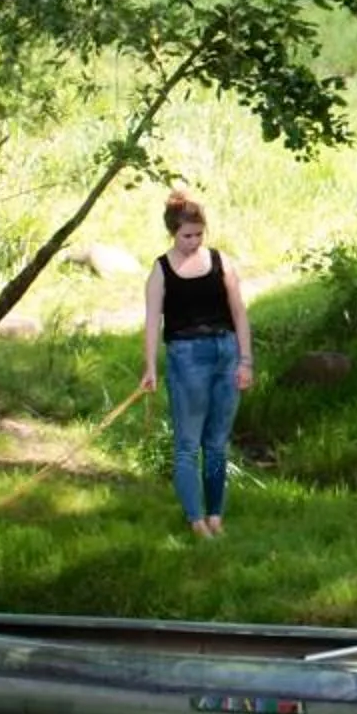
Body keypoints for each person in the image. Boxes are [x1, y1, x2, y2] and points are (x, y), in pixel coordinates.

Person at [140, 188, 253, 537]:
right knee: (188, 444)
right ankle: (196, 520)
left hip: (226, 352)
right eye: (187, 235)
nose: (194, 241)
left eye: (199, 234)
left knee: (217, 442)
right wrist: (150, 367)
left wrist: (245, 361)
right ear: (173, 232)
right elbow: (151, 322)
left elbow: (239, 312)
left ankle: (216, 515)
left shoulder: (221, 262)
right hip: (186, 357)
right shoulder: (161, 270)